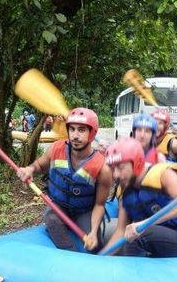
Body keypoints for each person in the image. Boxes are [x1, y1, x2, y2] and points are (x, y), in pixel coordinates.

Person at [16, 107, 112, 252]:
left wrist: (93, 233)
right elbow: (40, 165)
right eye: (72, 129)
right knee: (52, 219)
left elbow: (99, 205)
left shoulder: (103, 168)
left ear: (92, 133)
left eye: (81, 130)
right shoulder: (56, 149)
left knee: (95, 244)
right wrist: (29, 169)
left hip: (85, 210)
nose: (75, 135)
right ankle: (71, 255)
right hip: (59, 207)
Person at [102, 138, 177, 257]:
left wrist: (146, 223)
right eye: (112, 168)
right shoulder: (126, 191)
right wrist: (103, 258)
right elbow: (120, 231)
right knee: (131, 235)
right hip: (158, 239)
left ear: (136, 163)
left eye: (120, 167)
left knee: (138, 234)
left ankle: (132, 273)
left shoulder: (163, 175)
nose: (115, 175)